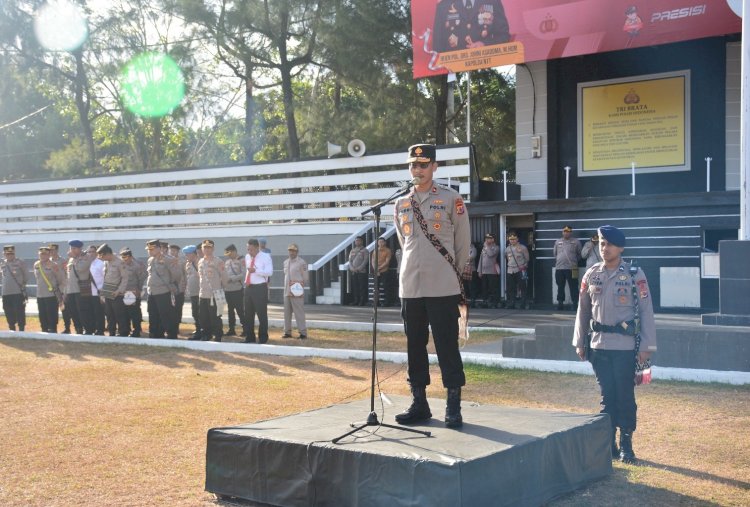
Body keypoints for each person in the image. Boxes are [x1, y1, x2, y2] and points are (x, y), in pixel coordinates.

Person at [393, 143, 471, 429]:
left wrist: (452, 273)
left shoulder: (451, 198)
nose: (418, 169)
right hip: (411, 285)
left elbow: (463, 243)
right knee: (415, 345)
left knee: (446, 345)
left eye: (423, 165)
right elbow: (405, 242)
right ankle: (419, 402)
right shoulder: (401, 201)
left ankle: (453, 404)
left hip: (443, 285)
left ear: (434, 167)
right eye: (413, 165)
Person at [573, 225, 656, 463]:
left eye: (609, 244)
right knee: (606, 396)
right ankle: (607, 443)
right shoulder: (591, 274)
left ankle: (626, 445)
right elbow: (583, 310)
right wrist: (580, 341)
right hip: (598, 346)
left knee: (625, 396)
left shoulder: (633, 274)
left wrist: (646, 347)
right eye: (601, 243)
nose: (604, 248)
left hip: (625, 348)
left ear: (620, 247)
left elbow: (646, 310)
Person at [433, 0, 510, 53]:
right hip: (455, 70)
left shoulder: (493, 1)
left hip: (486, 65)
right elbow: (438, 45)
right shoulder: (443, 5)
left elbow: (503, 36)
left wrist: (485, 45)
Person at [146, 239, 180, 339]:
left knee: (166, 315)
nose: (150, 251)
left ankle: (171, 334)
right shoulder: (150, 260)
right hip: (152, 292)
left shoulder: (168, 259)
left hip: (163, 292)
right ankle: (155, 334)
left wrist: (169, 283)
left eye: (152, 249)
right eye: (148, 249)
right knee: (153, 314)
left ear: (159, 248)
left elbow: (177, 275)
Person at [97, 244, 130, 337]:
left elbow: (125, 278)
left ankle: (123, 333)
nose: (102, 258)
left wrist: (119, 291)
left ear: (108, 254)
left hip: (117, 292)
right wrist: (103, 293)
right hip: (107, 291)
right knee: (109, 314)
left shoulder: (120, 262)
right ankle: (112, 332)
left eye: (103, 256)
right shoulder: (107, 262)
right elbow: (105, 278)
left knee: (119, 314)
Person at [244, 238, 273, 344]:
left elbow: (269, 272)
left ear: (257, 247)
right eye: (248, 249)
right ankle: (249, 337)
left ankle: (263, 338)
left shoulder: (265, 257)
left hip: (260, 288)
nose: (249, 252)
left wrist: (256, 271)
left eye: (251, 250)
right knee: (248, 314)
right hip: (248, 287)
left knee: (261, 314)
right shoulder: (247, 257)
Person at [197, 240, 227, 342]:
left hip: (214, 294)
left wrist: (222, 288)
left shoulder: (218, 261)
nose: (206, 249)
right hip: (203, 293)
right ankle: (206, 335)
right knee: (203, 317)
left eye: (209, 247)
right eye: (204, 247)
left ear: (213, 249)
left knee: (215, 317)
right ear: (202, 249)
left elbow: (224, 276)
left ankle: (217, 335)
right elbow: (200, 277)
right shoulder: (200, 261)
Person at [65, 239, 94, 334]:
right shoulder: (71, 259)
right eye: (71, 248)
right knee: (73, 310)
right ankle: (78, 328)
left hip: (81, 288)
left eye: (74, 248)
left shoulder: (86, 257)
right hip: (70, 289)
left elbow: (81, 268)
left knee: (83, 310)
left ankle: (88, 329)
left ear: (80, 248)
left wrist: (75, 259)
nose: (72, 250)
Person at [34, 246, 65, 333]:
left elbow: (60, 279)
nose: (43, 256)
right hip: (40, 294)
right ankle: (44, 328)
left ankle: (52, 329)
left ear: (49, 255)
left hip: (51, 294)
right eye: (41, 254)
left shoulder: (53, 265)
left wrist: (59, 290)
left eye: (45, 254)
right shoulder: (36, 264)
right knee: (42, 313)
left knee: (51, 313)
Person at [282, 243, 309, 339]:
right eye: (290, 250)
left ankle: (303, 332)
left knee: (299, 312)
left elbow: (305, 278)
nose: (291, 252)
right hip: (287, 290)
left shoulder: (301, 262)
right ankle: (287, 332)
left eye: (293, 251)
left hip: (296, 290)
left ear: (297, 252)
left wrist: (297, 286)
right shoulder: (285, 262)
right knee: (287, 312)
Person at [554, 225, 582, 310]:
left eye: (568, 232)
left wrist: (573, 261)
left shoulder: (576, 242)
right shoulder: (557, 242)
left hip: (572, 268)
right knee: (560, 286)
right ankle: (560, 303)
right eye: (565, 232)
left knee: (574, 286)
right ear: (562, 232)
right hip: (559, 268)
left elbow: (579, 254)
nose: (566, 233)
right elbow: (555, 254)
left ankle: (575, 303)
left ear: (571, 232)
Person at [1, 245, 28, 331]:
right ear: (4, 254)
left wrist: (22, 285)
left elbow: (26, 276)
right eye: (7, 254)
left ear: (14, 253)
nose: (9, 255)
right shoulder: (2, 263)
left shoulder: (20, 262)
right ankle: (11, 328)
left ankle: (21, 329)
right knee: (8, 310)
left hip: (17, 292)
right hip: (6, 292)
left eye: (11, 254)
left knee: (19, 310)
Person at [120, 248, 146, 337]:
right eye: (123, 257)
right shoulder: (120, 265)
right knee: (124, 312)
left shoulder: (137, 266)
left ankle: (136, 330)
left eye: (126, 257)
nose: (125, 259)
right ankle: (125, 330)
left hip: (133, 292)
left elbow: (141, 278)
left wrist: (138, 289)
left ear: (131, 257)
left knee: (134, 313)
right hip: (123, 292)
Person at [223, 244, 246, 336]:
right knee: (230, 310)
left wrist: (232, 279)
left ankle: (245, 329)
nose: (228, 255)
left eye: (229, 253)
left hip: (237, 289)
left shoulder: (241, 260)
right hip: (228, 289)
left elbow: (244, 274)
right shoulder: (227, 262)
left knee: (240, 310)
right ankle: (231, 329)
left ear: (234, 251)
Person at [49, 243, 72, 333]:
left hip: (62, 289)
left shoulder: (63, 261)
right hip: (52, 289)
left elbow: (66, 274)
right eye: (50, 251)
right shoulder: (48, 261)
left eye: (54, 250)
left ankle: (67, 328)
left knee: (64, 309)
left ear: (57, 250)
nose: (52, 252)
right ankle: (53, 327)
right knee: (53, 309)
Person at [504, 232, 530, 309]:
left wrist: (524, 266)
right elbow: (506, 258)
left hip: (520, 269)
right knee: (511, 288)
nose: (512, 241)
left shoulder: (523, 247)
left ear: (517, 239)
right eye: (511, 239)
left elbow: (527, 259)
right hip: (510, 269)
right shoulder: (507, 248)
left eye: (514, 239)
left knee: (522, 287)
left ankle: (523, 303)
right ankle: (512, 303)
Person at [183, 245, 202, 340]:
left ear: (193, 254)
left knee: (200, 313)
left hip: (200, 293)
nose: (186, 256)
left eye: (187, 254)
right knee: (195, 313)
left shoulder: (199, 263)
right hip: (193, 292)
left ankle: (201, 332)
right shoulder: (188, 264)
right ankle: (198, 329)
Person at [477, 233, 500, 308]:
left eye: (489, 238)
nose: (487, 240)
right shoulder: (484, 248)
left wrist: (487, 246)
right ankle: (485, 302)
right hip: (484, 271)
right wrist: (479, 271)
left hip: (492, 271)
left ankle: (494, 302)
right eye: (486, 238)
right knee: (484, 287)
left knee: (492, 287)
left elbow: (490, 254)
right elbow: (481, 259)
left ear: (493, 239)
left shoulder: (496, 247)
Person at [371, 237, 394, 306]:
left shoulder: (388, 251)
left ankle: (387, 302)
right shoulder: (375, 251)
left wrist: (379, 268)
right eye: (379, 242)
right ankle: (376, 302)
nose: (380, 243)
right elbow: (372, 261)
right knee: (376, 288)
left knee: (386, 287)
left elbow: (387, 262)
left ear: (385, 243)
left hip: (384, 270)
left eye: (382, 242)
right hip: (376, 271)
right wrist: (375, 269)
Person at [88, 244, 106, 335]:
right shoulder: (87, 263)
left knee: (99, 313)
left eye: (92, 252)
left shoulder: (100, 263)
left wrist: (103, 292)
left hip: (98, 292)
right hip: (88, 293)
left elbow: (105, 278)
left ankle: (100, 330)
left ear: (96, 253)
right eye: (89, 252)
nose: (90, 254)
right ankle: (92, 328)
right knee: (91, 312)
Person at [348, 236, 369, 306]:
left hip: (362, 272)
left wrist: (359, 268)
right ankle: (356, 300)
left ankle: (362, 301)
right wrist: (352, 268)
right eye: (356, 241)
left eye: (359, 240)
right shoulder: (352, 250)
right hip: (354, 271)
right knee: (355, 287)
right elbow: (350, 261)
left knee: (362, 287)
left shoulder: (365, 250)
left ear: (362, 241)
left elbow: (365, 261)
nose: (357, 242)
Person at [168, 244, 186, 324]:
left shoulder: (182, 262)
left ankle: (177, 324)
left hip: (179, 288)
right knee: (169, 308)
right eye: (171, 250)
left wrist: (185, 286)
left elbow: (185, 274)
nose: (172, 252)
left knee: (178, 307)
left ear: (178, 252)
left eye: (174, 251)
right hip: (168, 289)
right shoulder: (166, 261)